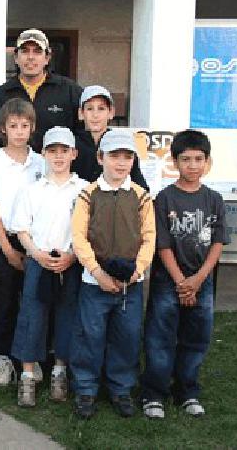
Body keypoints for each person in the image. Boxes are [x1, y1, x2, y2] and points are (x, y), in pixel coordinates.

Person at [138, 129, 227, 419]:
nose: (192, 165)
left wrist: (198, 280)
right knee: (160, 337)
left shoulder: (214, 199)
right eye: (185, 159)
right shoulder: (164, 199)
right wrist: (181, 282)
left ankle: (187, 391)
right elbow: (162, 245)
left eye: (198, 159)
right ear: (174, 162)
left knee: (196, 338)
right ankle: (154, 393)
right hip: (168, 281)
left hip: (203, 280)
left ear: (207, 162)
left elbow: (217, 243)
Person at [68, 128, 156, 419]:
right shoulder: (87, 195)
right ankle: (86, 388)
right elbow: (79, 237)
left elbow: (149, 237)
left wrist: (138, 270)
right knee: (89, 336)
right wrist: (97, 272)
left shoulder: (141, 197)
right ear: (100, 157)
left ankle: (121, 388)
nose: (120, 163)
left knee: (127, 336)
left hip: (130, 283)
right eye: (114, 156)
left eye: (127, 156)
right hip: (95, 283)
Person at [9, 126, 88, 408]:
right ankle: (28, 374)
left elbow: (87, 233)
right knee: (32, 316)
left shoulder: (83, 190)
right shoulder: (33, 190)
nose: (58, 156)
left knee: (68, 316)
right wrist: (36, 254)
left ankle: (59, 371)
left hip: (70, 262)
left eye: (64, 151)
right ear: (43, 154)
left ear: (74, 154)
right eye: (52, 151)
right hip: (38, 261)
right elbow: (21, 229)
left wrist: (72, 256)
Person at [0, 99, 46, 386]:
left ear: (32, 128)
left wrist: (34, 248)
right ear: (3, 129)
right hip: (6, 240)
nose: (19, 131)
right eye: (13, 126)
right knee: (4, 299)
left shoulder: (41, 162)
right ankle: (4, 357)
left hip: (35, 242)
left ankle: (30, 356)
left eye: (24, 126)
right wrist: (5, 247)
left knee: (33, 301)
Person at [0, 29, 81, 152]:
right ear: (16, 58)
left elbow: (81, 135)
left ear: (47, 58)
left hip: (55, 169)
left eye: (37, 52)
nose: (30, 57)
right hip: (13, 169)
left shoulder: (70, 91)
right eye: (24, 51)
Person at [70, 85, 148, 190]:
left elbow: (139, 186)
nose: (95, 115)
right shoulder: (71, 144)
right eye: (90, 109)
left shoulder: (122, 143)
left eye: (101, 109)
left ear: (111, 113)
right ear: (81, 113)